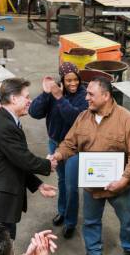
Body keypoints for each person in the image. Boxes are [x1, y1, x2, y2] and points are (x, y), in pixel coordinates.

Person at [51, 77, 130, 255]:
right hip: (93, 184)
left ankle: (129, 251)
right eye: (87, 94)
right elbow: (69, 143)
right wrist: (58, 155)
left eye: (91, 94)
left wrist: (124, 179)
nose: (86, 98)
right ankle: (94, 252)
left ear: (106, 96)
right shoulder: (83, 118)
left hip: (121, 186)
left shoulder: (127, 120)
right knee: (90, 220)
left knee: (127, 221)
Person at [0, 77, 57, 240]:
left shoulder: (7, 121)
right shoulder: (5, 125)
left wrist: (38, 184)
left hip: (1, 202)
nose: (29, 101)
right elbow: (24, 159)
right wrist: (48, 164)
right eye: (26, 97)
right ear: (13, 98)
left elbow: (14, 162)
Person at [29, 62, 88, 239]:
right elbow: (34, 112)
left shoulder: (84, 96)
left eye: (75, 80)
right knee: (62, 180)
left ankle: (70, 221)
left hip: (74, 148)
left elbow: (75, 119)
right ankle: (62, 211)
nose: (73, 84)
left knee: (71, 186)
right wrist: (46, 93)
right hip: (55, 143)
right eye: (68, 80)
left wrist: (59, 97)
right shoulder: (54, 92)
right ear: (61, 79)